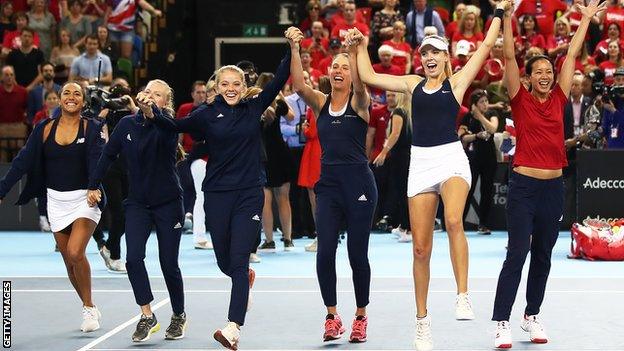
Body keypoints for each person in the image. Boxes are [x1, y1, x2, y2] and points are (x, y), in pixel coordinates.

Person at [347, 0, 511, 349]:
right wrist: (361, 46)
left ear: (446, 57)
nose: (429, 57)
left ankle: (462, 294)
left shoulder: (458, 82)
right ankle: (422, 321)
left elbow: (484, 47)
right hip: (421, 163)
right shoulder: (412, 83)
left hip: (451, 159)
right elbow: (369, 76)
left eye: (435, 51)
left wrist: (498, 13)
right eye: (425, 53)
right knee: (420, 249)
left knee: (453, 220)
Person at [145, 33, 292, 350]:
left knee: (238, 261)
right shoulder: (206, 114)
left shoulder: (254, 107)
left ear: (243, 86)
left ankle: (233, 327)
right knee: (225, 262)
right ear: (217, 86)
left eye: (235, 83)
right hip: (217, 195)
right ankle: (245, 279)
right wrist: (152, 112)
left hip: (249, 194)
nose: (230, 88)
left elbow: (281, 78)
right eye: (224, 83)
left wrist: (292, 47)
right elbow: (175, 127)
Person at [492, 0, 606, 348]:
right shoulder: (519, 99)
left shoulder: (559, 97)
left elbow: (571, 57)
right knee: (517, 253)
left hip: (553, 188)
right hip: (524, 187)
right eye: (538, 72)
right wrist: (507, 17)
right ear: (528, 78)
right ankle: (501, 321)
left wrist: (585, 20)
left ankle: (531, 315)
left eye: (548, 71)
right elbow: (509, 58)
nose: (545, 75)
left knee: (543, 254)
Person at [289, 26, 377, 343]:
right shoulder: (321, 102)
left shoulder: (361, 102)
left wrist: (353, 51)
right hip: (328, 186)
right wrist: (295, 48)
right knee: (324, 252)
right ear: (328, 73)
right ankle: (332, 316)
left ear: (351, 74)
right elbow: (298, 84)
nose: (339, 71)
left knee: (357, 255)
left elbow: (363, 87)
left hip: (359, 186)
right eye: (335, 66)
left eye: (344, 67)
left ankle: (360, 317)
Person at [0, 81, 106, 332]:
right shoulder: (44, 129)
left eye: (77, 94)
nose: (71, 97)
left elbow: (98, 160)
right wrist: (2, 189)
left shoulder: (92, 128)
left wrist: (94, 186)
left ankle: (89, 308)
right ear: (59, 99)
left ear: (83, 101)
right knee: (69, 263)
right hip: (55, 202)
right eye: (66, 93)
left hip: (84, 200)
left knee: (75, 252)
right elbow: (22, 161)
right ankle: (88, 305)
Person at [87, 79, 187, 342]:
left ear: (166, 102)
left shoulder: (169, 126)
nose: (151, 96)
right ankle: (147, 315)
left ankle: (178, 315)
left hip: (168, 204)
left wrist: (151, 113)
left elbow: (161, 124)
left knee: (168, 264)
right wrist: (92, 185)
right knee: (133, 260)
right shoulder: (127, 124)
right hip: (138, 204)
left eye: (158, 94)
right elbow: (108, 154)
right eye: (148, 91)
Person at [458, 89, 499, 235]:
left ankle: (483, 224)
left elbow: (493, 129)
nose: (485, 104)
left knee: (487, 191)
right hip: (473, 158)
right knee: (468, 190)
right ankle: (459, 223)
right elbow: (462, 137)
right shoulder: (467, 117)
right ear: (474, 104)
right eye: (482, 102)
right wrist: (476, 135)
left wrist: (480, 116)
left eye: (486, 101)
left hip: (489, 158)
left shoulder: (491, 115)